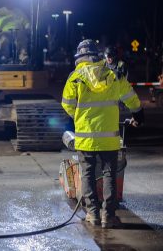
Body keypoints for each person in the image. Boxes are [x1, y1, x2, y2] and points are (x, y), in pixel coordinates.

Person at [61, 39, 144, 228]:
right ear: (96, 55)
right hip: (109, 139)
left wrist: (78, 116)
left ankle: (93, 214)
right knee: (109, 175)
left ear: (79, 57)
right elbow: (131, 98)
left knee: (88, 175)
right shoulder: (113, 75)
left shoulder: (75, 78)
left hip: (85, 139)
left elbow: (67, 104)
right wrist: (139, 114)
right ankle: (108, 216)